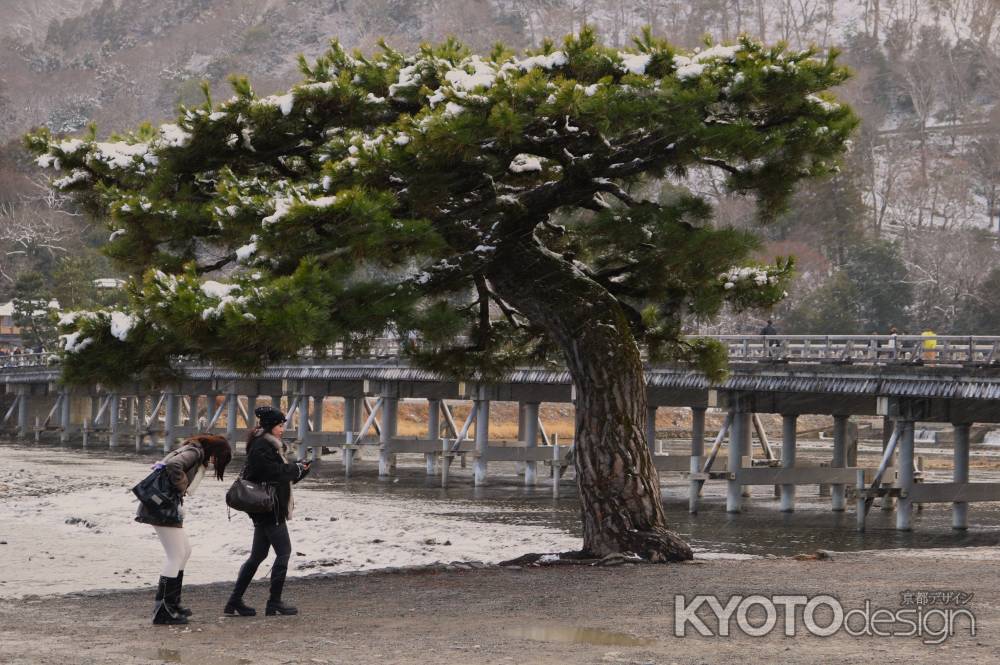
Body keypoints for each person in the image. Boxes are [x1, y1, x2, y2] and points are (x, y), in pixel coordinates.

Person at [136, 434, 233, 625]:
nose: (214, 463)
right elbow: (174, 466)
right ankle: (163, 609)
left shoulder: (192, 449)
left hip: (163, 505)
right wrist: (180, 489)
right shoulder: (195, 452)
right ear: (214, 452)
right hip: (162, 507)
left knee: (185, 551)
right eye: (217, 459)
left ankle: (173, 603)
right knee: (176, 555)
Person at [225, 406, 311, 617]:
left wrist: (300, 470)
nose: (283, 429)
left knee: (257, 555)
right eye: (280, 426)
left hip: (265, 507)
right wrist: (296, 468)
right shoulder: (263, 446)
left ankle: (234, 602)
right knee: (283, 552)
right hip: (269, 508)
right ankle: (274, 602)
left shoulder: (264, 444)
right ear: (271, 426)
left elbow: (279, 475)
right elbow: (273, 473)